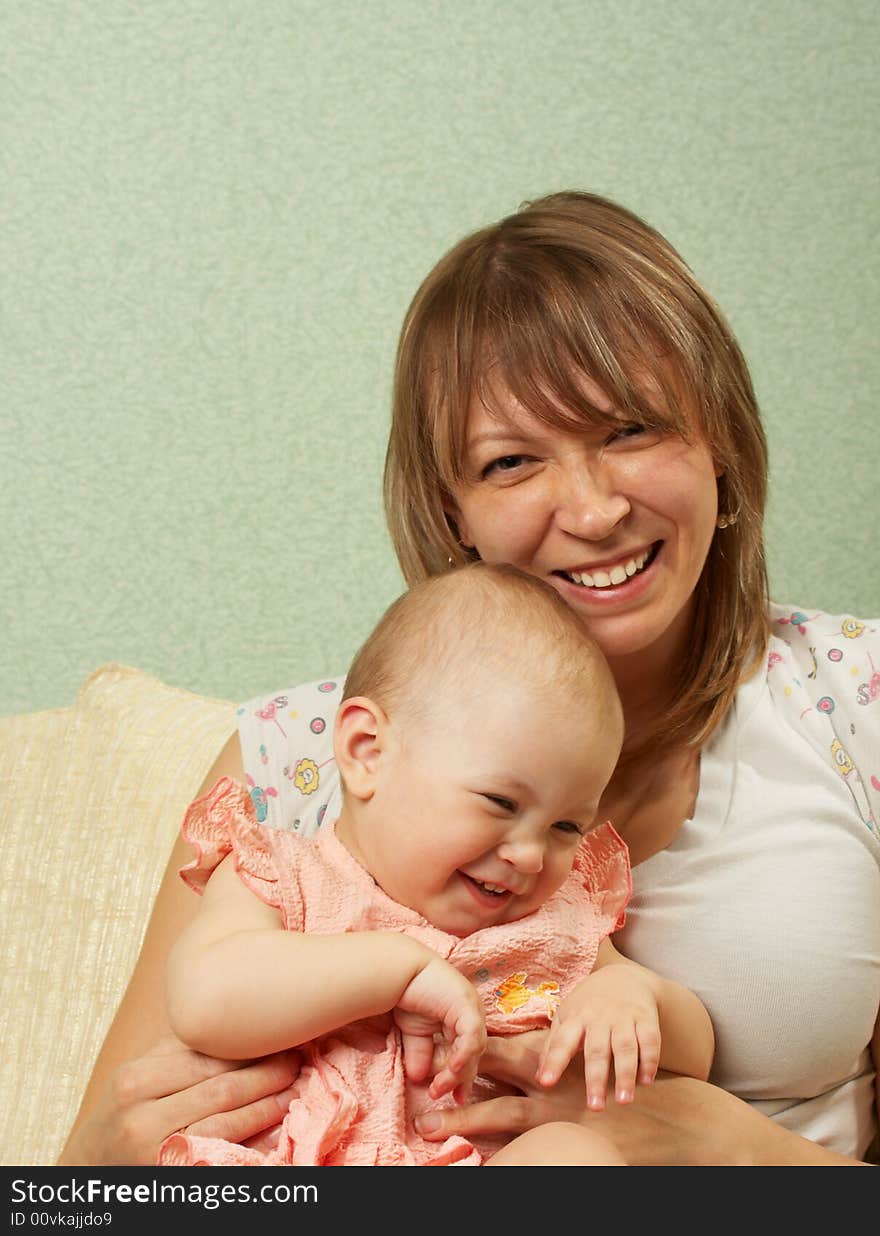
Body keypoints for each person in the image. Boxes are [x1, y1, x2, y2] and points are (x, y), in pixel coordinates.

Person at [58, 190, 880, 1168]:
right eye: (512, 461)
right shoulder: (293, 770)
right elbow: (75, 1188)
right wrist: (106, 1160)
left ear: (721, 444)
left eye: (629, 431)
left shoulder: (850, 700)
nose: (589, 508)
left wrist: (742, 1160)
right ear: (452, 512)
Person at [157, 562, 714, 1167]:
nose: (530, 854)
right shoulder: (284, 878)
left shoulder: (552, 928)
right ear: (367, 752)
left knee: (573, 1156)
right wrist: (397, 970)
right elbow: (203, 1000)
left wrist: (630, 992)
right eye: (501, 803)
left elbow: (698, 1055)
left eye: (566, 826)